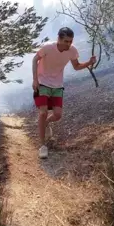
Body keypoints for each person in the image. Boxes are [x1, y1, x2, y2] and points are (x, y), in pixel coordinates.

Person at [31, 27, 96, 159]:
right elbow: (34, 59)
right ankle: (42, 146)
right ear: (59, 39)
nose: (68, 44)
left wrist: (89, 62)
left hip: (57, 85)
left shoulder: (72, 51)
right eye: (66, 41)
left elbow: (76, 66)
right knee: (43, 112)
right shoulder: (48, 47)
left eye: (70, 41)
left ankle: (46, 124)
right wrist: (35, 80)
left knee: (57, 115)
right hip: (42, 82)